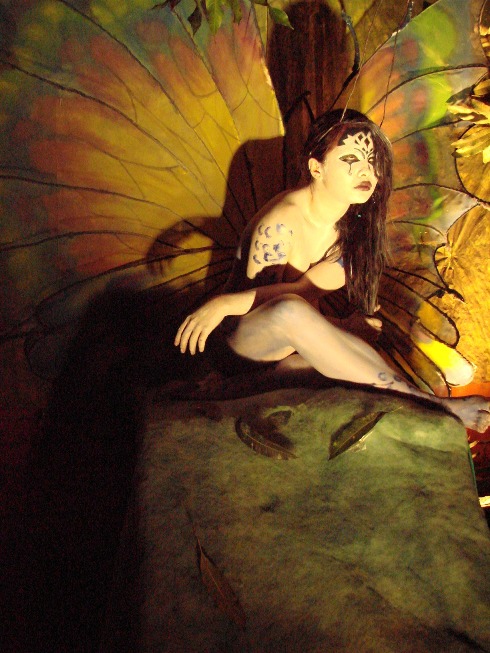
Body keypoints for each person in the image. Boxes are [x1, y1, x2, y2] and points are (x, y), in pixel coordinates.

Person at [175, 109, 489, 433]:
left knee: (351, 361)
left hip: (286, 352)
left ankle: (424, 402)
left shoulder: (354, 227)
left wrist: (344, 327)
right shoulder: (281, 223)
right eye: (351, 158)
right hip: (237, 348)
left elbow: (304, 294)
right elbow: (276, 310)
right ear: (317, 168)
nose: (366, 170)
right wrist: (224, 303)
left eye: (372, 160)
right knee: (290, 313)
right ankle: (433, 404)